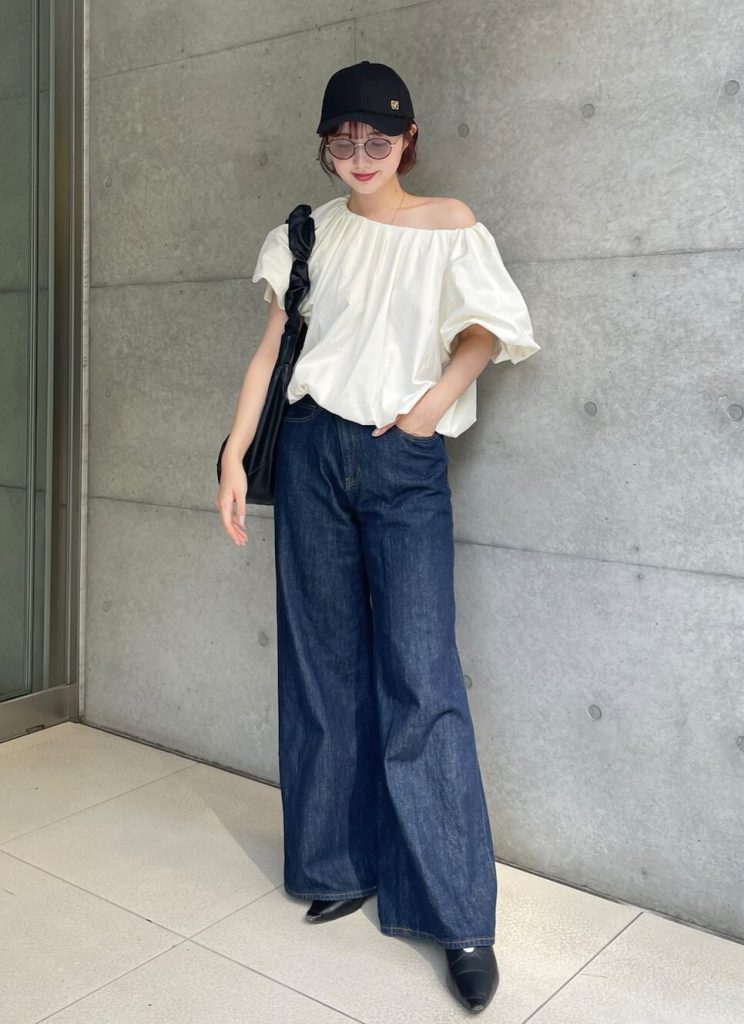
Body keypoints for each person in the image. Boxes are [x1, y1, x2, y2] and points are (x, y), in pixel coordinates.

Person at [217, 60, 540, 1013]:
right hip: (310, 452)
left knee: (421, 676)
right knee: (321, 668)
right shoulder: (305, 233)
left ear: (408, 140)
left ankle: (457, 914)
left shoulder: (450, 223)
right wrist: (234, 455)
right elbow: (271, 351)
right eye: (343, 139)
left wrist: (426, 411)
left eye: (379, 139)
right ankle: (337, 862)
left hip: (402, 463)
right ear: (325, 144)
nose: (360, 155)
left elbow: (487, 331)